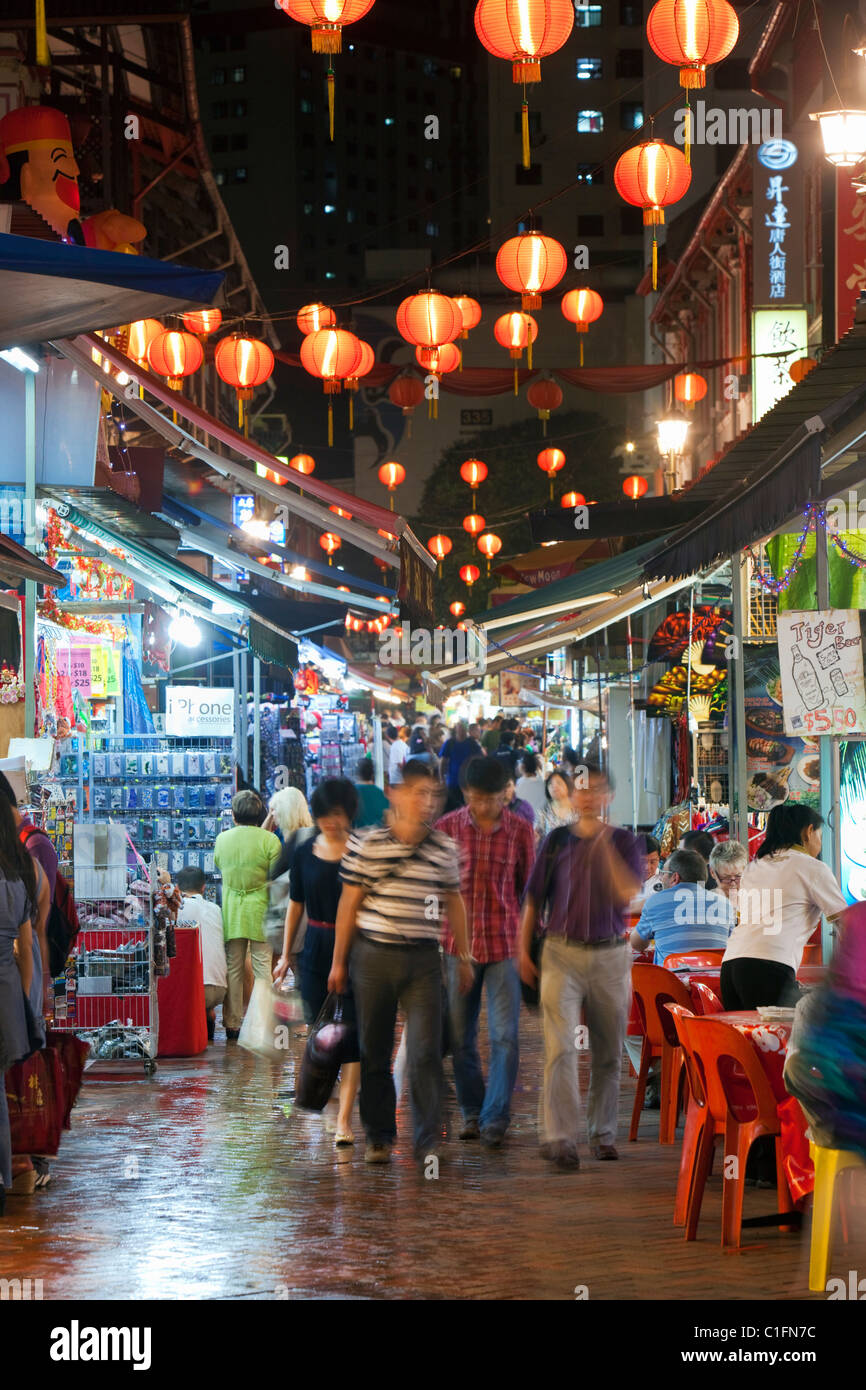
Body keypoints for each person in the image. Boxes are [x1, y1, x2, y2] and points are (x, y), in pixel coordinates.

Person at [329, 760, 473, 1165]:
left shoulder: (444, 848)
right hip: (373, 957)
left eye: (433, 795)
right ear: (395, 793)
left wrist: (463, 955)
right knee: (374, 1049)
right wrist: (339, 962)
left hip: (424, 959)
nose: (426, 802)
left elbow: (455, 904)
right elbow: (349, 903)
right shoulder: (367, 843)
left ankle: (428, 1137)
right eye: (417, 792)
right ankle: (378, 1134)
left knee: (427, 1050)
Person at [519, 763, 642, 1169]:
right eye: (581, 790)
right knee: (561, 1048)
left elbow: (627, 892)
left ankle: (603, 1134)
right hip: (560, 952)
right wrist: (523, 951)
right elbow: (533, 899)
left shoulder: (625, 841)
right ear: (570, 796)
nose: (587, 797)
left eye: (596, 790)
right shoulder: (554, 841)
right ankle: (559, 1138)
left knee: (608, 1051)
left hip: (610, 955)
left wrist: (601, 843)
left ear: (607, 797)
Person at [436, 757, 535, 1147]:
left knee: (504, 1036)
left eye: (493, 799)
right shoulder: (446, 830)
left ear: (506, 793)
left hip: (504, 945)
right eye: (477, 799)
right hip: (457, 949)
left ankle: (496, 1115)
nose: (485, 807)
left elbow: (528, 892)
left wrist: (528, 946)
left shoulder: (521, 831)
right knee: (461, 1037)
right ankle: (471, 1112)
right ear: (466, 795)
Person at [274, 779, 360, 1146]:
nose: (330, 821)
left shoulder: (359, 852)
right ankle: (328, 1104)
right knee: (319, 1033)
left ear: (348, 815)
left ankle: (344, 1120)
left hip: (356, 947)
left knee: (352, 1036)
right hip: (314, 948)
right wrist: (285, 953)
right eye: (324, 814)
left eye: (337, 814)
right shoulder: (304, 851)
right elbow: (296, 903)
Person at [721, 804, 846, 1010]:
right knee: (800, 1037)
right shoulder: (812, 867)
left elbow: (744, 921)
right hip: (768, 967)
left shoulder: (754, 866)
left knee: (749, 1040)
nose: (820, 845)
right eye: (820, 837)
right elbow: (847, 925)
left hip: (731, 967)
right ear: (808, 832)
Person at [214, 790, 281, 1040]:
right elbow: (276, 875)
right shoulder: (270, 841)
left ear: (233, 815)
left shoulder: (222, 839)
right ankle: (262, 1022)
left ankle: (232, 1023)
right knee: (264, 968)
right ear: (259, 813)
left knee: (234, 968)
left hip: (233, 910)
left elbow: (219, 864)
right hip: (261, 908)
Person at [0, 789, 38, 1205]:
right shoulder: (18, 873)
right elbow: (27, 949)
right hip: (8, 993)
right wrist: (24, 1000)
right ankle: (11, 1171)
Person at [629, 848, 735, 966]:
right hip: (714, 980)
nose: (661, 878)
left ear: (675, 878)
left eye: (664, 874)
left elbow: (637, 945)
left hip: (672, 980)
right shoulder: (725, 904)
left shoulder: (656, 901)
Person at [176, 867, 226, 1043]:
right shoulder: (216, 909)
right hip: (220, 988)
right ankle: (207, 1020)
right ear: (204, 888)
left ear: (177, 887)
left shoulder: (178, 908)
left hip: (196, 989)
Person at [264, 786, 314, 878]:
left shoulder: (306, 839)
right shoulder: (280, 833)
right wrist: (269, 815)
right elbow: (261, 838)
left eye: (275, 809)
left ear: (285, 811)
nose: (272, 814)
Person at [439, 720, 482, 808]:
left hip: (468, 782)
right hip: (452, 782)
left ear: (466, 729)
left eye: (463, 728)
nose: (461, 730)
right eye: (459, 727)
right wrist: (441, 779)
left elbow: (480, 760)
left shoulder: (472, 743)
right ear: (456, 729)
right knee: (452, 807)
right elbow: (442, 762)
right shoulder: (450, 743)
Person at [537, 769, 575, 837]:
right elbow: (538, 836)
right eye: (550, 784)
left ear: (568, 785)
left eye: (559, 783)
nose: (554, 786)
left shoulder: (578, 810)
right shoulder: (544, 812)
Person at [708, 840, 748, 904]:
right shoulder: (705, 904)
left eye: (738, 876)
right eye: (726, 877)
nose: (733, 884)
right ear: (712, 873)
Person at [353, 757, 389, 829]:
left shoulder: (351, 792)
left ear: (356, 773)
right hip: (378, 836)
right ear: (373, 774)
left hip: (356, 837)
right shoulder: (381, 794)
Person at [516, 751, 547, 823]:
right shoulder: (542, 783)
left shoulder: (519, 784)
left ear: (523, 766)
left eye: (519, 762)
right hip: (539, 824)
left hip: (523, 824)